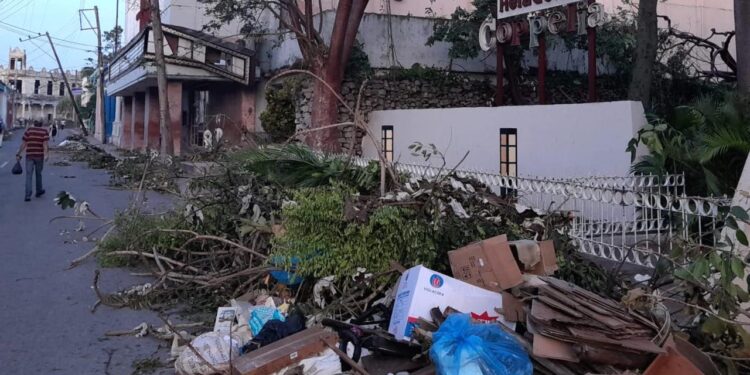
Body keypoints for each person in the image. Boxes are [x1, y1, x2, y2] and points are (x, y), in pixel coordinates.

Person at [16, 120, 50, 202]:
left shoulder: (29, 131)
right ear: (41, 124)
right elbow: (45, 144)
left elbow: (24, 144)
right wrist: (46, 155)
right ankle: (38, 191)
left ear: (34, 124)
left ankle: (27, 195)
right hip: (39, 156)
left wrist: (18, 153)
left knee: (28, 175)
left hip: (29, 156)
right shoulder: (44, 131)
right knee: (38, 174)